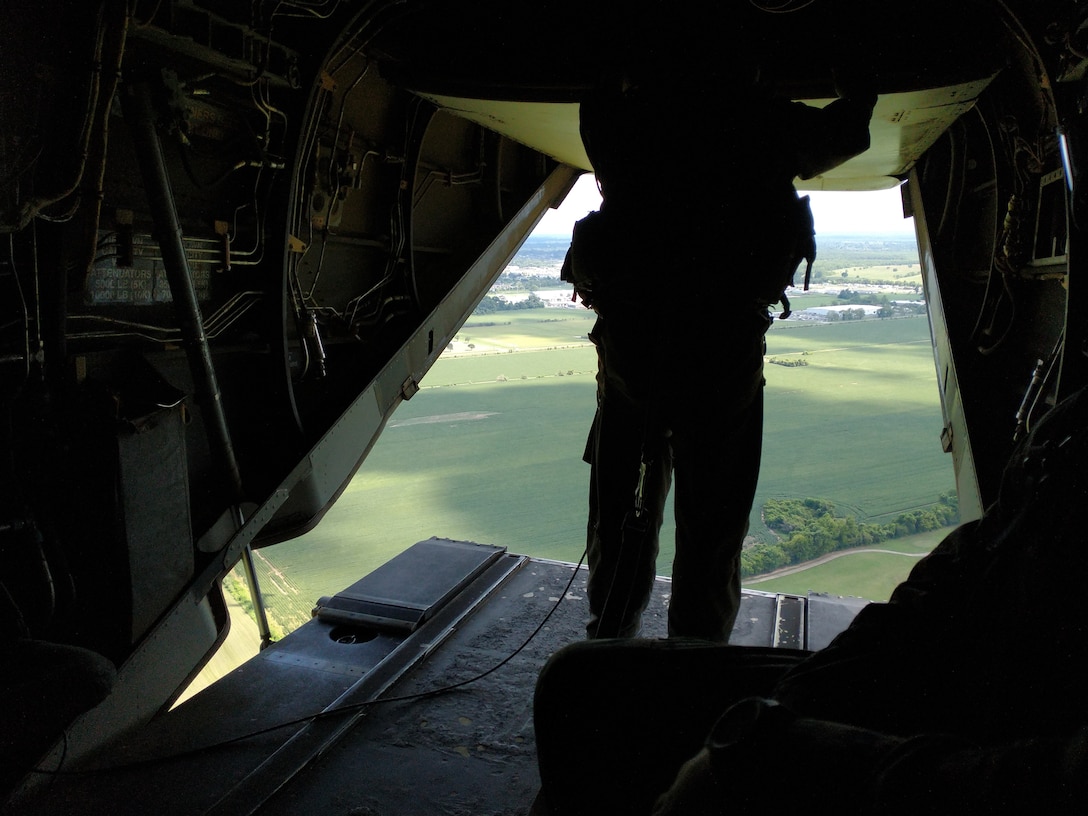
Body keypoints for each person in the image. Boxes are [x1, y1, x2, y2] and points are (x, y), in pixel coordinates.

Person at [534, 381, 1088, 815]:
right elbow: (956, 573)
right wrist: (794, 703)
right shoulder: (1071, 432)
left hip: (987, 751)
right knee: (579, 682)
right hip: (939, 688)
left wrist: (773, 752)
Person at [563, 67, 876, 641]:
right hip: (721, 351)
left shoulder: (632, 118)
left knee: (621, 511)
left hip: (636, 350)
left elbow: (595, 106)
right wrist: (860, 78)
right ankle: (698, 661)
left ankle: (609, 644)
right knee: (713, 525)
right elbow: (848, 133)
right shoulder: (764, 120)